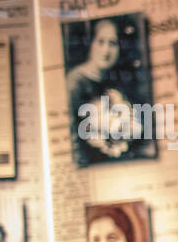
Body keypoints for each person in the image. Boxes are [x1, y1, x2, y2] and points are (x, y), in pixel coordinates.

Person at [66, 17, 155, 164]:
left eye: (113, 43)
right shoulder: (75, 82)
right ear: (91, 44)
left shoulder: (114, 82)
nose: (106, 50)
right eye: (100, 41)